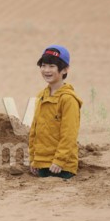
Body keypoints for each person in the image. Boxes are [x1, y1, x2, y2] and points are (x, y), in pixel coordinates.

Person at [28, 45, 83, 179]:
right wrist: (33, 158)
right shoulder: (41, 96)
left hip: (62, 167)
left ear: (65, 69)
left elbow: (69, 134)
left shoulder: (68, 99)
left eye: (52, 66)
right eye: (44, 65)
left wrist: (59, 160)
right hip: (42, 164)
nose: (47, 70)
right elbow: (35, 130)